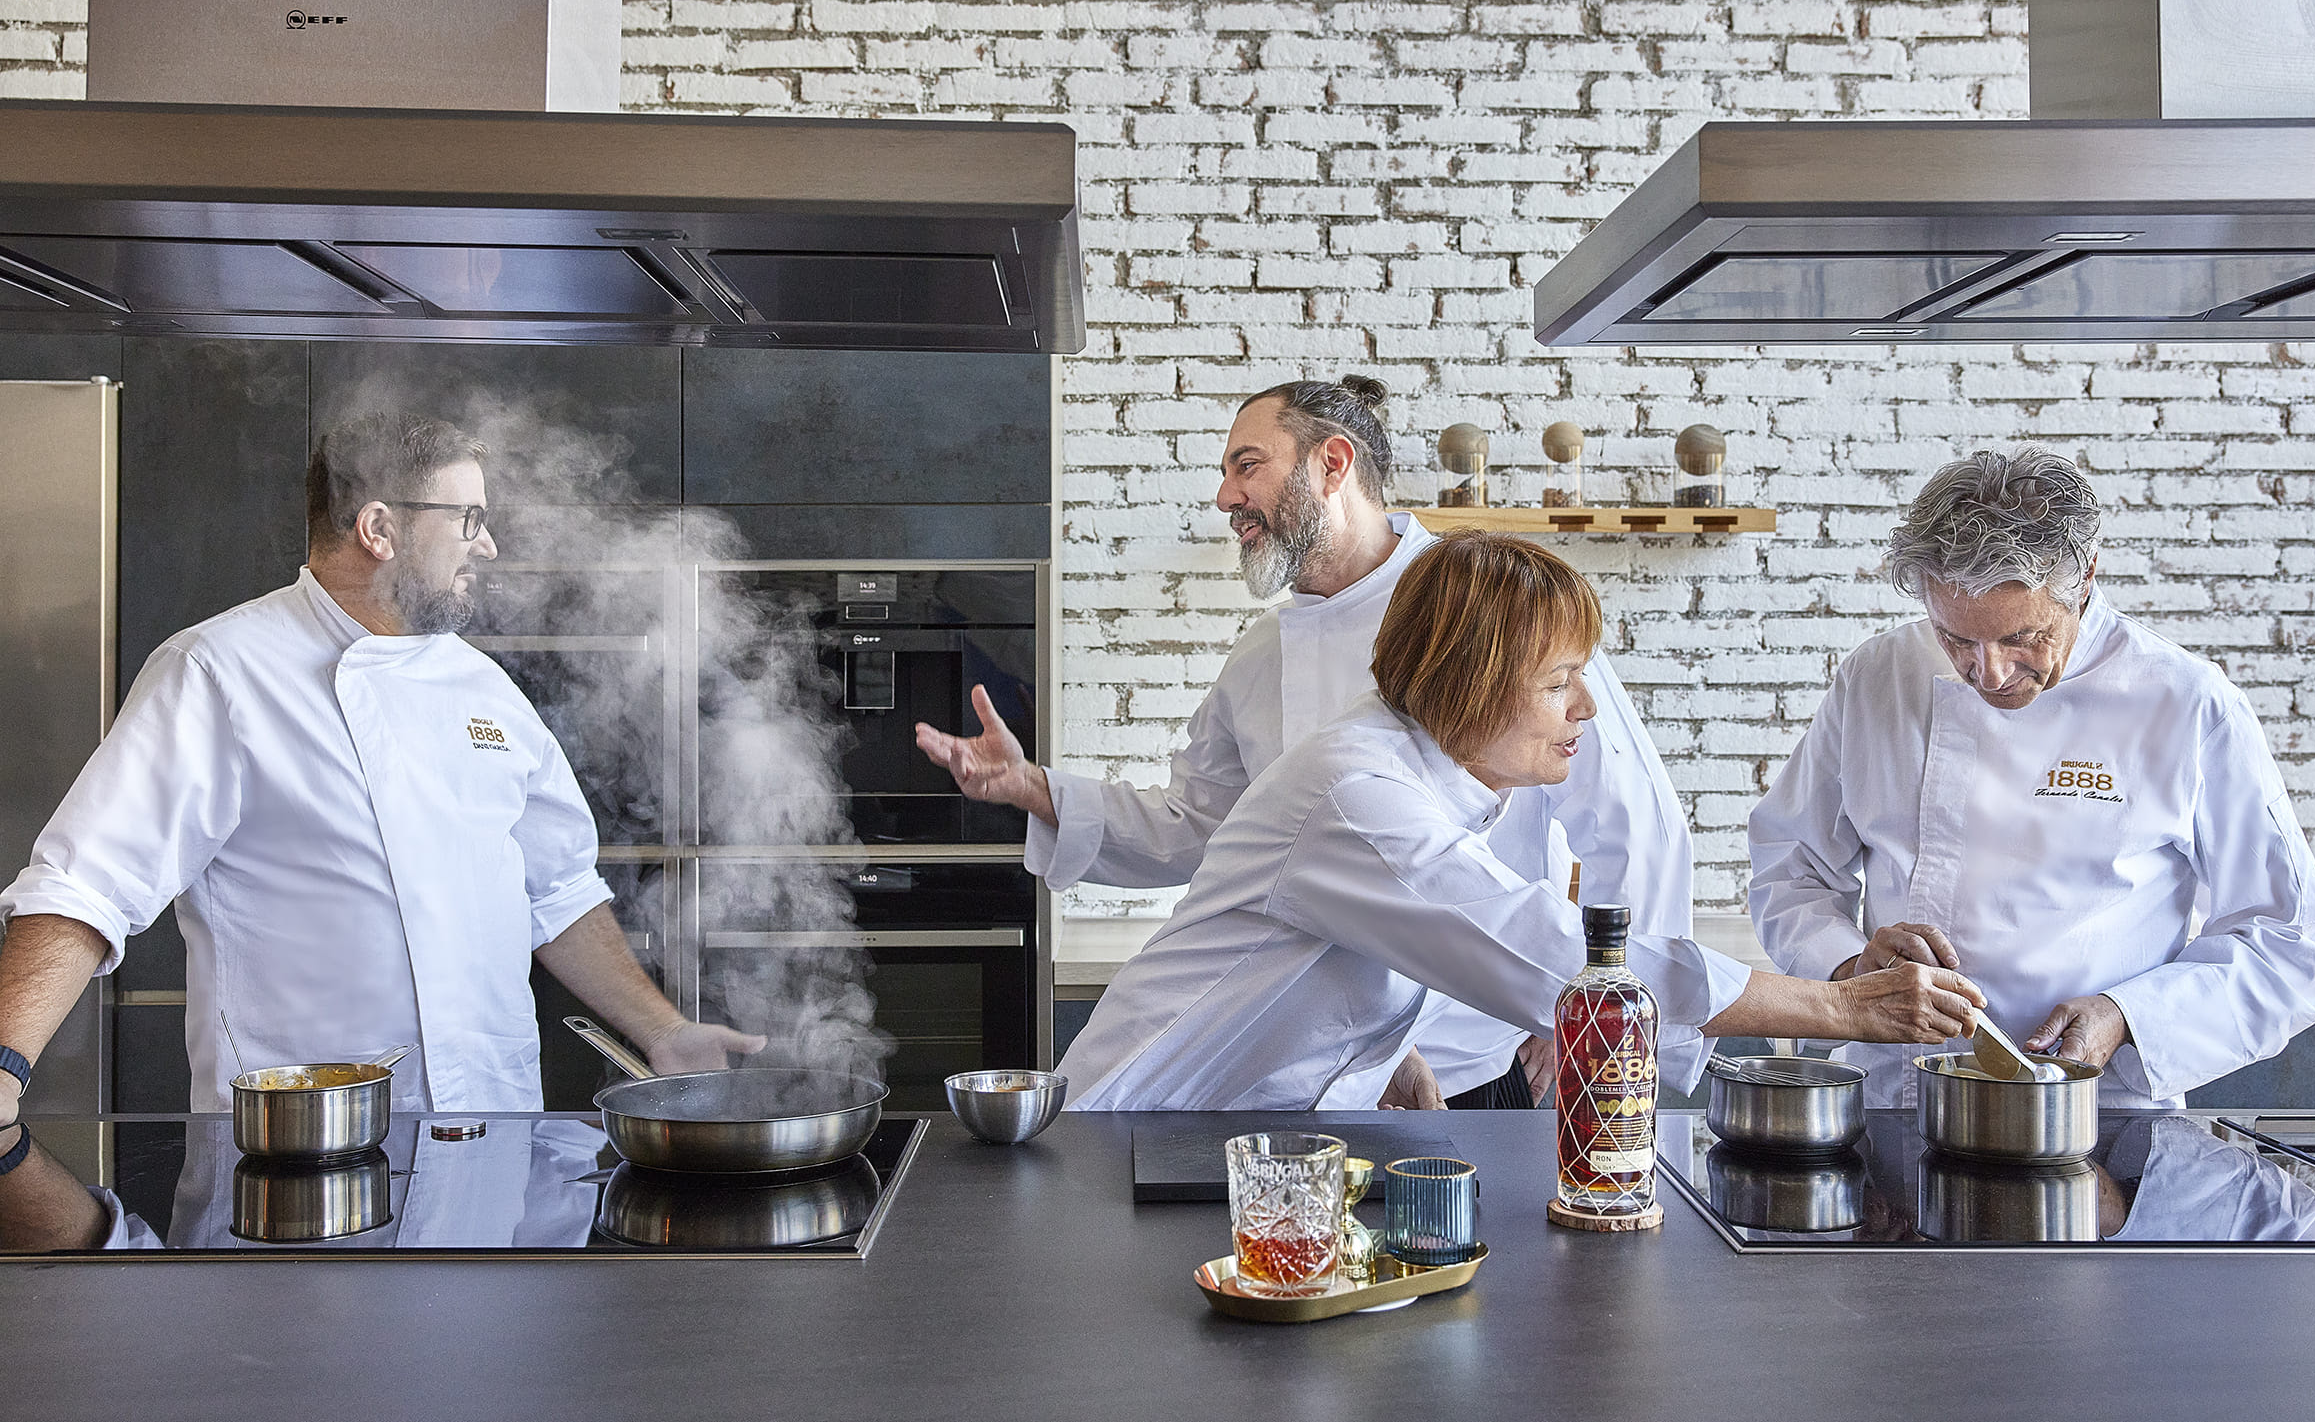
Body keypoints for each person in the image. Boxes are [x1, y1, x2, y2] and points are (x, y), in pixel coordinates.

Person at [917, 376, 1693, 1109]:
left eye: (1246, 466)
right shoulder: (1261, 656)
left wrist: (1593, 1012)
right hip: (1301, 1080)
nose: (1226, 497)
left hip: (1470, 1068)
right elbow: (1201, 828)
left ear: (1333, 464)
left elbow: (1631, 821)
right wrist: (1035, 789)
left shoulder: (1489, 609)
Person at [0, 412, 759, 1133]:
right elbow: (85, 883)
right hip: (297, 1163)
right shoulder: (219, 671)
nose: (487, 545)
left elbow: (556, 890)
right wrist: (3, 1066)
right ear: (379, 528)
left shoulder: (484, 688)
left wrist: (665, 1032)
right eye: (468, 520)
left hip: (492, 1150)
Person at [1055, 532, 1983, 1110]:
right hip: (1127, 1130)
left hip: (1205, 1135)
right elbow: (1549, 954)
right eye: (1556, 682)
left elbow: (1342, 952)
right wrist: (1839, 1006)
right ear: (1470, 684)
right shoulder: (1357, 795)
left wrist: (1378, 1053)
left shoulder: (1402, 771)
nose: (1584, 707)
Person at [1748, 447, 2315, 1109]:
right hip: (1899, 1098)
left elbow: (2291, 941)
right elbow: (1790, 869)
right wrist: (1851, 968)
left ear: (2085, 577)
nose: (1991, 672)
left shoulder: (2185, 701)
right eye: (1956, 639)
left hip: (2094, 1114)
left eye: (2022, 637)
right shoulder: (1876, 678)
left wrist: (2125, 1015)